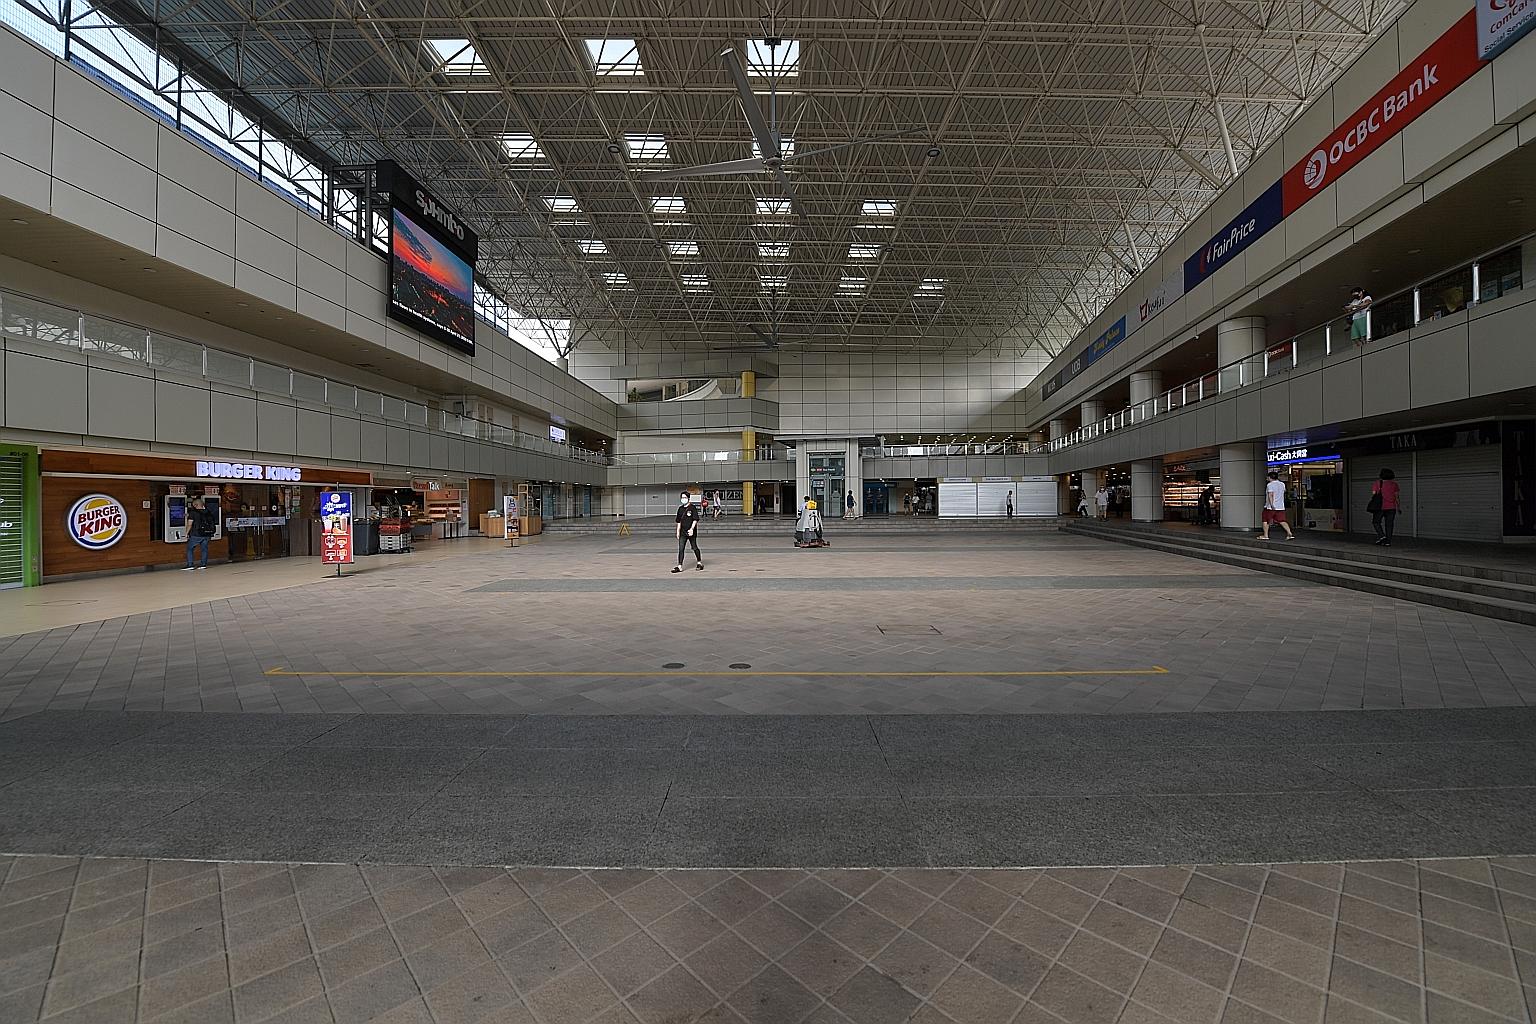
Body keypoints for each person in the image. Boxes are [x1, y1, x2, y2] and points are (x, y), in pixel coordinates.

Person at [673, 491, 703, 573]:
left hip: (691, 532)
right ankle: (679, 566)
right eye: (682, 497)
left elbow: (695, 519)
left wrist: (692, 529)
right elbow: (678, 521)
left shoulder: (692, 508)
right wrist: (678, 531)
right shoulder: (680, 509)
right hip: (683, 532)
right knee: (681, 548)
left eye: (685, 497)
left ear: (688, 498)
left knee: (694, 547)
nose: (683, 499)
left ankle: (699, 562)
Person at [1260, 471, 1295, 541]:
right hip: (1280, 506)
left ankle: (1265, 535)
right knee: (1282, 520)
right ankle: (1289, 533)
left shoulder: (1270, 485)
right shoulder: (1282, 484)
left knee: (1265, 520)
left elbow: (1271, 495)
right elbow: (1284, 492)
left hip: (1270, 507)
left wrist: (1272, 504)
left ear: (1270, 477)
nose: (1267, 478)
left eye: (1267, 477)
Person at [183, 497, 216, 570]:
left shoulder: (193, 513)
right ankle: (203, 564)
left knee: (190, 548)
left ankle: (190, 565)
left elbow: (189, 524)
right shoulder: (208, 512)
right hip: (207, 534)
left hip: (196, 534)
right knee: (204, 549)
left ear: (195, 505)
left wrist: (186, 533)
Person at [1371, 468, 1401, 546]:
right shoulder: (1394, 484)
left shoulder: (1377, 483)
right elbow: (1397, 497)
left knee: (1376, 522)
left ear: (1381, 475)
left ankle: (1382, 536)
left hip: (1380, 507)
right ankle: (1388, 542)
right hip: (1392, 507)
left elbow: (1374, 494)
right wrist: (1399, 507)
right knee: (1389, 525)